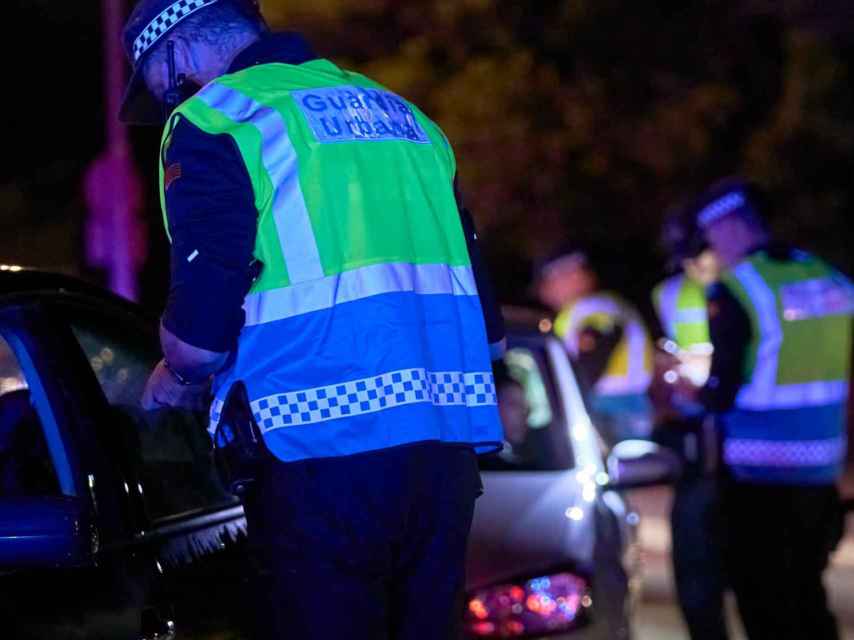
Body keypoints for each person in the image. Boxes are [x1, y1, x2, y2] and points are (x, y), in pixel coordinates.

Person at [119, 2, 506, 638]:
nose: (167, 104)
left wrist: (172, 378)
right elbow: (489, 334)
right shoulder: (408, 120)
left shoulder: (217, 118)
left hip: (317, 461)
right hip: (443, 465)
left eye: (161, 86)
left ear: (179, 53)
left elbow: (197, 341)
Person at [692, 178, 853, 640]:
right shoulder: (831, 279)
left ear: (733, 228)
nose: (715, 248)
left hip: (759, 479)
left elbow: (723, 387)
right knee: (807, 595)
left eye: (716, 236)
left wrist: (692, 397)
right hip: (821, 473)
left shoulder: (737, 288)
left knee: (764, 602)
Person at [651, 209, 729, 640]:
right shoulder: (670, 294)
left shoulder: (743, 291)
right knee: (696, 570)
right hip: (698, 441)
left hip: (735, 446)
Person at [535, 251, 654, 446]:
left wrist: (573, 396)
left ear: (574, 277)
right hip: (622, 403)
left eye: (551, 281)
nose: (545, 291)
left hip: (610, 406)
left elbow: (594, 354)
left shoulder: (593, 307)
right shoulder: (598, 305)